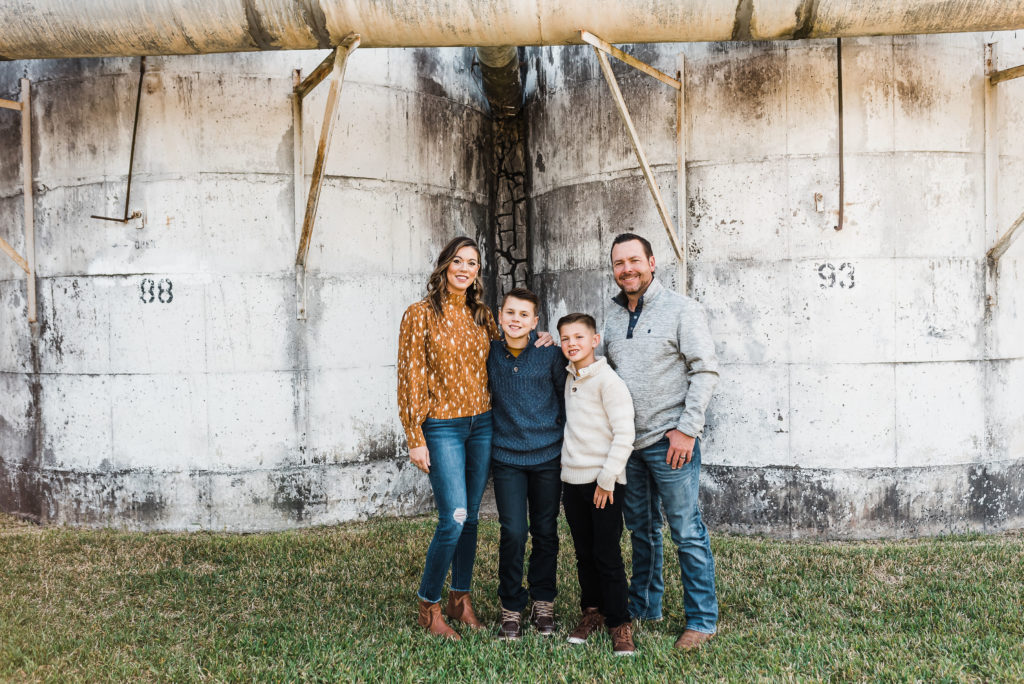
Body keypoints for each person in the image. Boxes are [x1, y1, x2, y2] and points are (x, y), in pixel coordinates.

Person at [603, 232, 720, 651]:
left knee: (686, 531)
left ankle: (702, 619)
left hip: (672, 442)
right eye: (619, 263)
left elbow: (704, 370)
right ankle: (645, 605)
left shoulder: (682, 309)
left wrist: (688, 429)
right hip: (630, 446)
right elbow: (599, 365)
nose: (627, 269)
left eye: (634, 260)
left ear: (652, 262)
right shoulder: (613, 316)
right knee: (641, 530)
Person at [487, 287, 567, 640]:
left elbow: (567, 398)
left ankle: (543, 600)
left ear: (536, 322)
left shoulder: (549, 353)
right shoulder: (488, 352)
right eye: (510, 313)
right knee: (514, 531)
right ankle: (511, 606)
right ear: (499, 316)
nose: (516, 320)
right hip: (507, 458)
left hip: (548, 456)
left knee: (545, 531)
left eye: (524, 315)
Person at [557, 313, 637, 656]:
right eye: (565, 338)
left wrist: (607, 480)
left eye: (578, 337)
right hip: (572, 481)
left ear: (595, 339)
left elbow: (625, 434)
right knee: (584, 554)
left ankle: (620, 622)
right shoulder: (570, 376)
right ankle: (592, 613)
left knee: (607, 554)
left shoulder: (608, 381)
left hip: (603, 483)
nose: (572, 344)